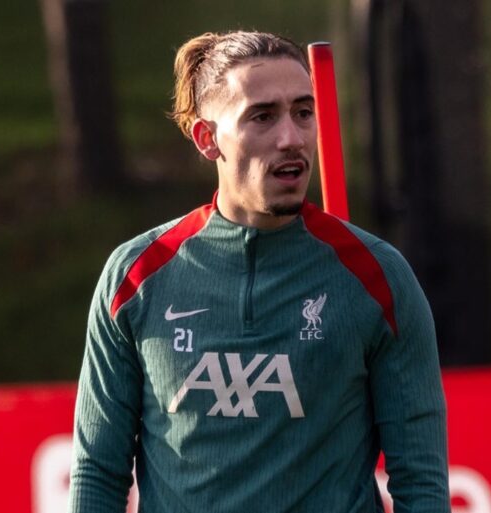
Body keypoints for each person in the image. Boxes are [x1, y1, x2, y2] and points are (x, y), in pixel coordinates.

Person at [68, 30, 450, 513]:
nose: (291, 138)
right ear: (207, 139)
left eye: (303, 112)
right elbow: (98, 473)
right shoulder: (137, 275)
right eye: (263, 116)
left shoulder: (378, 276)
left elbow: (421, 482)